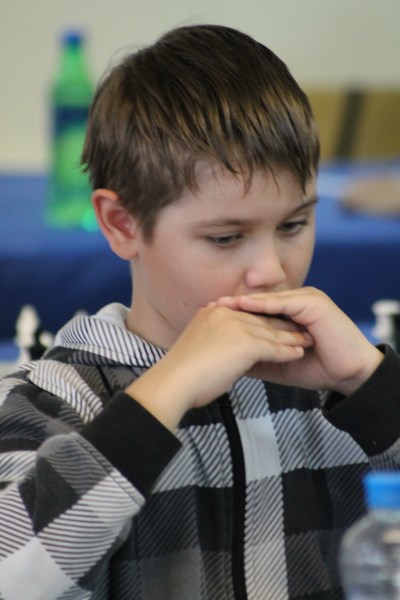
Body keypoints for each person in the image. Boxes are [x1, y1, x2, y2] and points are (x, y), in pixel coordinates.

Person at [0, 24, 399, 600]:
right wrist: (168, 390)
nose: (271, 271)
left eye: (293, 225)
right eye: (225, 238)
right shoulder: (57, 399)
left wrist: (375, 386)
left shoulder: (335, 388)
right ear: (122, 224)